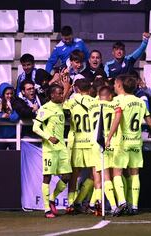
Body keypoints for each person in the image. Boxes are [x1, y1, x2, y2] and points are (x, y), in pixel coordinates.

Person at [106, 74, 151, 216]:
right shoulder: (140, 101)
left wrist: (109, 137)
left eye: (116, 84)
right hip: (136, 142)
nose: (115, 87)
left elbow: (116, 119)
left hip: (122, 142)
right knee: (135, 174)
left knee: (117, 173)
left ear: (120, 86)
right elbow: (150, 121)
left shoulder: (118, 101)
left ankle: (122, 202)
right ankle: (134, 206)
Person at [32, 84, 72, 218]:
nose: (62, 95)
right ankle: (46, 209)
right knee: (47, 177)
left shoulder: (61, 106)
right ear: (52, 95)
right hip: (50, 149)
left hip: (61, 148)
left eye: (62, 93)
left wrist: (66, 86)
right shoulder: (45, 108)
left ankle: (52, 198)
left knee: (67, 176)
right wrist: (49, 137)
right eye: (59, 93)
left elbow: (65, 97)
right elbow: (36, 127)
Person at [63, 79, 101, 214]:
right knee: (96, 173)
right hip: (92, 142)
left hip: (77, 142)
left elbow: (60, 107)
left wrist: (66, 89)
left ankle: (71, 204)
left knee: (74, 175)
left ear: (77, 89)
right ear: (89, 88)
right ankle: (97, 203)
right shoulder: (95, 102)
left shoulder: (71, 102)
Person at [87, 86, 120, 215]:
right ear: (110, 96)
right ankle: (112, 206)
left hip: (95, 142)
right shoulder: (113, 106)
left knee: (99, 176)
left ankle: (100, 204)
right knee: (109, 176)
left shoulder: (91, 106)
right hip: (108, 141)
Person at [0, 83, 19, 150]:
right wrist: (0, 115)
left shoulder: (15, 103)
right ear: (2, 94)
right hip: (0, 136)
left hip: (13, 135)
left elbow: (16, 116)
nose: (10, 96)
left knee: (14, 157)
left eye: (11, 93)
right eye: (7, 94)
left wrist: (9, 116)